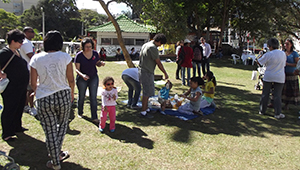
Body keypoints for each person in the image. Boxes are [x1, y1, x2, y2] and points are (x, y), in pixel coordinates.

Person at [29, 30, 74, 169]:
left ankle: (55, 161)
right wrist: (72, 93)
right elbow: (71, 79)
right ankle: (56, 155)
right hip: (63, 94)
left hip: (44, 97)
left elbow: (33, 82)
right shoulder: (65, 57)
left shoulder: (36, 58)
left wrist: (36, 91)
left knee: (50, 130)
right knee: (62, 126)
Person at [0, 29, 29, 141]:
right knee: (10, 109)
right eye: (20, 41)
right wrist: (2, 74)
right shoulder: (5, 52)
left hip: (20, 86)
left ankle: (17, 126)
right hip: (11, 88)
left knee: (19, 106)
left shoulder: (16, 51)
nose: (22, 43)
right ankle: (7, 133)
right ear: (12, 41)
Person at [74, 37, 105, 124]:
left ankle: (94, 117)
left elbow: (97, 63)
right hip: (82, 78)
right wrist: (82, 75)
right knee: (82, 96)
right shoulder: (79, 55)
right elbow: (77, 69)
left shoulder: (95, 53)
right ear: (83, 47)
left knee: (93, 97)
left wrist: (101, 64)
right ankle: (80, 112)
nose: (89, 48)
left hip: (93, 77)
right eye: (87, 46)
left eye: (90, 46)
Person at [138, 33, 168, 119]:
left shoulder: (146, 44)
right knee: (147, 92)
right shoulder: (153, 48)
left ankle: (146, 108)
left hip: (142, 70)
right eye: (161, 44)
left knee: (148, 91)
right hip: (147, 72)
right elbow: (158, 62)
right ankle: (143, 112)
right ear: (159, 41)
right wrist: (165, 73)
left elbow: (140, 56)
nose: (160, 46)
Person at [257, 38, 286, 119]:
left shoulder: (268, 54)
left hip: (269, 75)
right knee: (277, 95)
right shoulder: (283, 54)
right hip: (279, 76)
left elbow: (259, 62)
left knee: (265, 94)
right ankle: (277, 113)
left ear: (269, 46)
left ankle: (262, 110)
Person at [19, 26, 37, 116]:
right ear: (26, 33)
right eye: (31, 31)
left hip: (28, 68)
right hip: (28, 68)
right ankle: (31, 107)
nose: (33, 33)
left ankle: (26, 105)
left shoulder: (28, 43)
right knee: (30, 89)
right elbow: (31, 56)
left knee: (28, 89)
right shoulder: (26, 43)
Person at [282, 38, 300, 110]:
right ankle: (283, 103)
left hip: (292, 74)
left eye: (288, 44)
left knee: (290, 90)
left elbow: (297, 64)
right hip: (284, 73)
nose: (286, 45)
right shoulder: (283, 52)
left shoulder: (294, 54)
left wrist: (288, 64)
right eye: (285, 44)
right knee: (284, 90)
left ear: (291, 45)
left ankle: (288, 104)